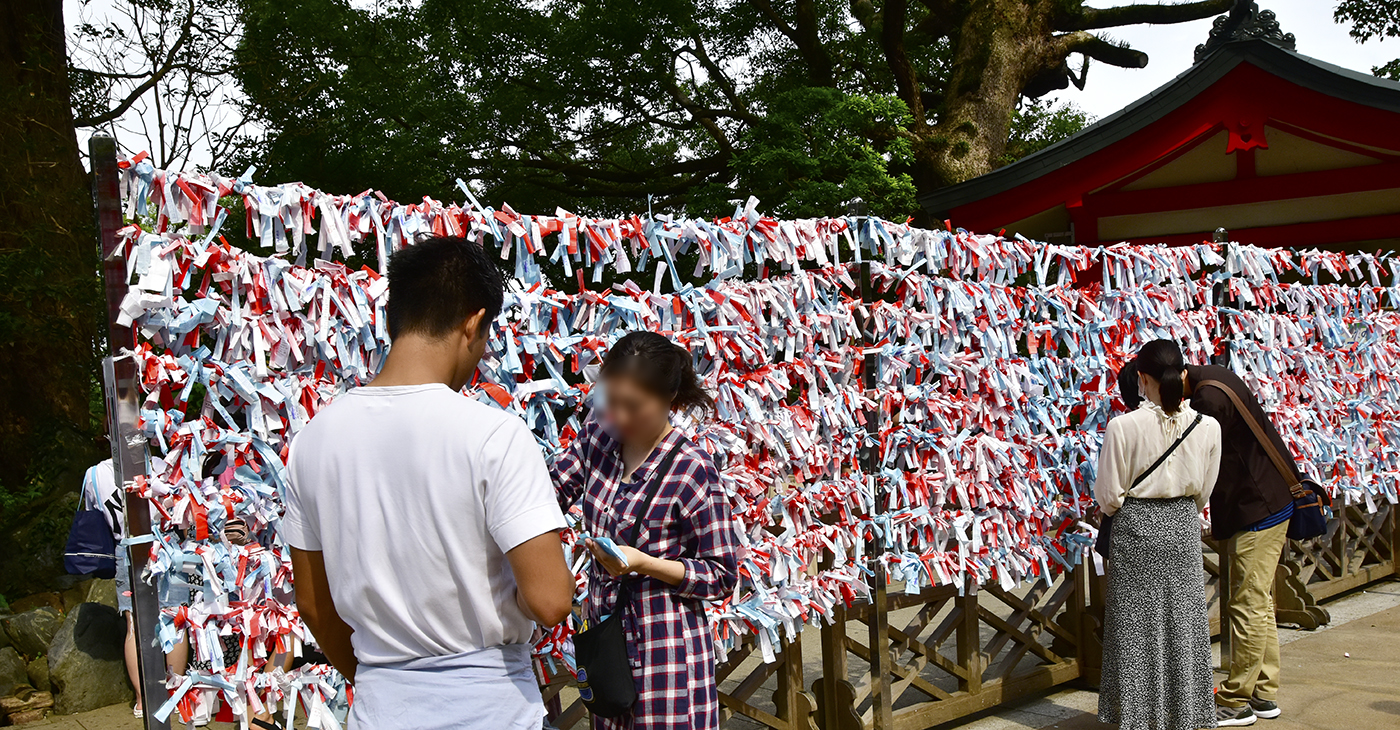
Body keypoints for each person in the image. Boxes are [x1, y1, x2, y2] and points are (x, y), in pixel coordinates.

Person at [283, 236, 576, 730]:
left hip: (380, 708)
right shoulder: (493, 434)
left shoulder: (312, 442)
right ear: (473, 323)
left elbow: (312, 602)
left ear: (393, 317)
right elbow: (550, 600)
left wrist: (381, 679)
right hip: (492, 708)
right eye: (486, 338)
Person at [552, 331, 740, 730]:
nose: (618, 416)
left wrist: (647, 564)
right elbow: (541, 494)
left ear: (669, 399)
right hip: (606, 640)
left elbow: (722, 575)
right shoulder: (597, 440)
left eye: (633, 406)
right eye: (611, 401)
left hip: (665, 647)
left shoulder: (691, 469)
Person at [1119, 355, 1299, 727]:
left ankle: (1236, 701)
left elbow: (1201, 467)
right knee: (1258, 600)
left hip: (1256, 506)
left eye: (1146, 386)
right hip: (1271, 499)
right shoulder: (1213, 376)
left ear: (1153, 379)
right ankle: (1263, 692)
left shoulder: (1206, 403)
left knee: (1247, 603)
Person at [1096, 339, 1221, 730]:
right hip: (1182, 526)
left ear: (1141, 378)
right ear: (1183, 375)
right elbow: (1205, 489)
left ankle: (1137, 718)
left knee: (1135, 628)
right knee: (1184, 624)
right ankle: (1186, 716)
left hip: (1136, 528)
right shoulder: (1207, 426)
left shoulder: (1123, 426)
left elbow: (1109, 496)